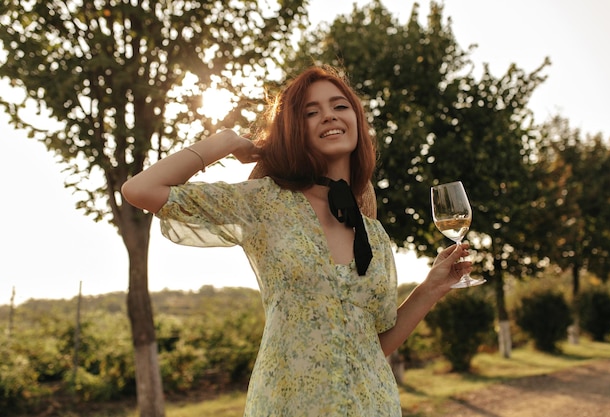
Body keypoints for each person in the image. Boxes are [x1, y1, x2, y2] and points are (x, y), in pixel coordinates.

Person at [122, 65, 471, 416]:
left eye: (339, 106)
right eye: (310, 112)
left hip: (373, 406)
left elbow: (373, 344)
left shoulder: (373, 234)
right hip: (287, 405)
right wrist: (226, 142)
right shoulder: (262, 203)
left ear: (356, 120)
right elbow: (140, 189)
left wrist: (431, 288)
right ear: (295, 130)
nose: (328, 117)